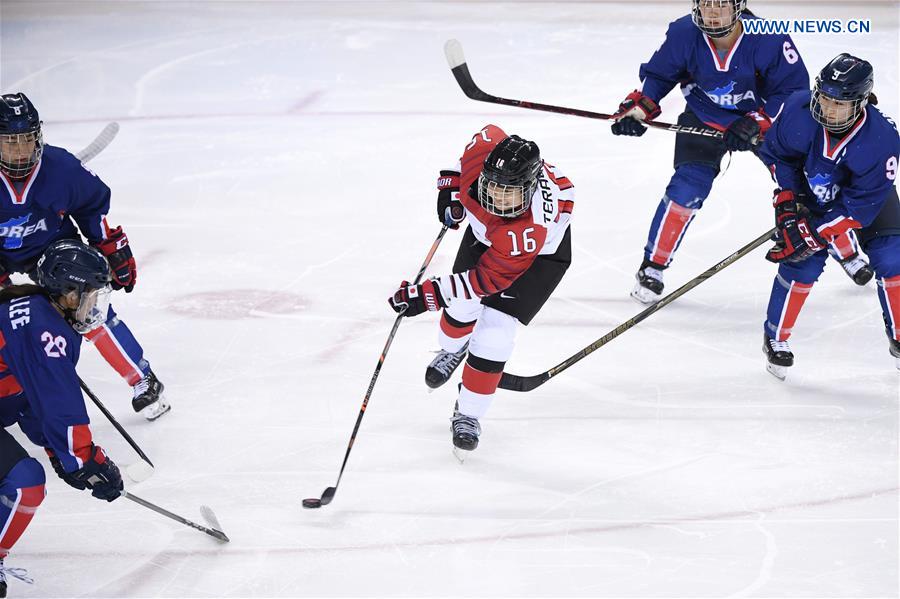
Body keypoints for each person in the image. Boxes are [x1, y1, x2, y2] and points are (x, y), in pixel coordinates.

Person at [610, 0, 873, 304]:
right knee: (686, 188)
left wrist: (756, 121)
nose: (712, 12)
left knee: (807, 187)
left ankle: (848, 252)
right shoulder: (684, 32)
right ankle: (653, 267)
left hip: (765, 122)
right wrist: (640, 109)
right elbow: (659, 75)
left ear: (738, 6)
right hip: (705, 117)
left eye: (721, 4)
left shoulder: (769, 38)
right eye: (706, 4)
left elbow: (794, 90)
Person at [388, 125, 573, 454]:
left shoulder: (531, 227)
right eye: (493, 187)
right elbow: (467, 158)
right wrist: (450, 189)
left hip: (539, 258)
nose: (497, 198)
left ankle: (468, 413)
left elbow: (485, 282)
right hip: (490, 238)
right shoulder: (484, 153)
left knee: (495, 334)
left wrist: (426, 295)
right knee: (460, 310)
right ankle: (454, 349)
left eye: (509, 193)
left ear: (529, 189)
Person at [0, 92, 168, 420]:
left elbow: (92, 207)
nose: (21, 151)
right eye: (10, 142)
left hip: (51, 249)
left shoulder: (61, 167)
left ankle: (142, 377)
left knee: (89, 304)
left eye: (27, 140)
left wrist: (111, 248)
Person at [760, 53, 900, 378]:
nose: (828, 108)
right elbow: (777, 155)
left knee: (893, 256)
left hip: (866, 200)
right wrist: (789, 200)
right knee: (800, 263)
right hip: (811, 193)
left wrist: (814, 231)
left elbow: (860, 207)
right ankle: (775, 337)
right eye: (824, 97)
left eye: (840, 103)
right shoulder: (798, 109)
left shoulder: (882, 139)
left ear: (860, 103)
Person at [0, 240, 125, 597]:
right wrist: (84, 459)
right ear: (70, 294)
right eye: (91, 295)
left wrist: (58, 449)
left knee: (24, 478)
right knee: (24, 483)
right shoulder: (45, 331)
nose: (94, 305)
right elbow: (58, 402)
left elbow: (28, 398)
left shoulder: (35, 310)